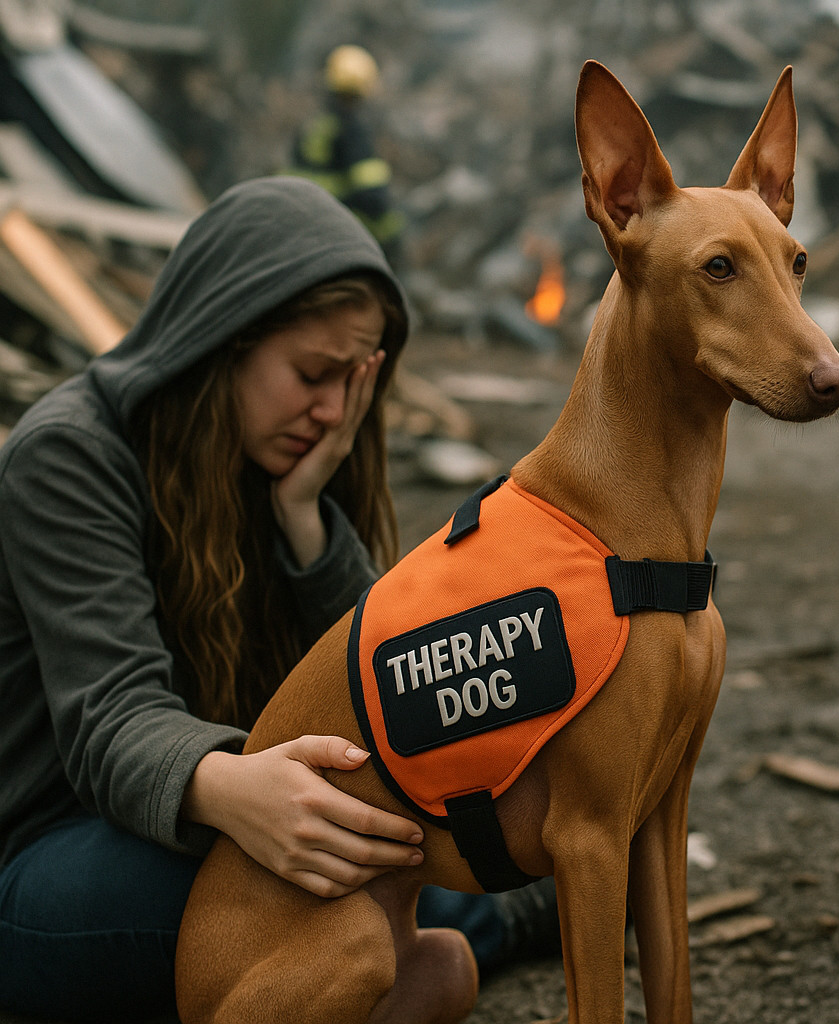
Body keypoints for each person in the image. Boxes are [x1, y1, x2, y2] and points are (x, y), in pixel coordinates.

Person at [0, 176, 555, 1021]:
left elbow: (383, 693)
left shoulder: (276, 465)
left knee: (384, 861)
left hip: (216, 828)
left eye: (351, 382)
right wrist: (235, 789)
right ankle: (483, 923)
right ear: (221, 339)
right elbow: (112, 719)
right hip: (51, 860)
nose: (331, 410)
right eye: (309, 373)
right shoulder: (69, 457)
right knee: (354, 893)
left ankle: (452, 928)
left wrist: (305, 520)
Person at [287, 44, 404, 263]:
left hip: (302, 218)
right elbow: (371, 194)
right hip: (337, 221)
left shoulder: (314, 124)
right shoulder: (351, 130)